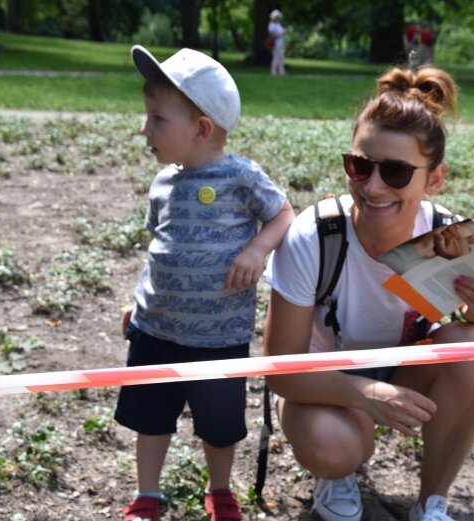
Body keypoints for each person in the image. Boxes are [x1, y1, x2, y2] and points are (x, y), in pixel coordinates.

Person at [263, 66, 474, 521]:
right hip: (320, 383)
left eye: (397, 172)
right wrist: (365, 394)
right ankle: (337, 475)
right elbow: (281, 371)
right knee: (337, 445)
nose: (373, 186)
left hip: (408, 373)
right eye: (360, 165)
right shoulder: (316, 236)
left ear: (435, 178)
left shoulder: (447, 236)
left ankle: (431, 502)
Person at [115, 45, 294, 521]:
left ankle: (219, 491)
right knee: (150, 419)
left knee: (219, 426)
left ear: (202, 129)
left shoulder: (239, 176)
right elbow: (159, 249)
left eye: (157, 119)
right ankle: (146, 495)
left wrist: (257, 249)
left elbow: (282, 214)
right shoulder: (162, 183)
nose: (144, 130)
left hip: (218, 337)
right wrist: (139, 302)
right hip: (156, 331)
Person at [267, 9, 286, 76]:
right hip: (276, 44)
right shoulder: (271, 25)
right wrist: (282, 33)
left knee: (281, 58)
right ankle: (274, 72)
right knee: (276, 58)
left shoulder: (277, 24)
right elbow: (273, 35)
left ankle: (281, 72)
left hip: (281, 43)